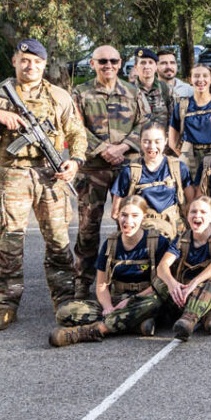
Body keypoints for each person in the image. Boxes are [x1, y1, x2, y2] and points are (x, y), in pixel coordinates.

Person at [0, 39, 87, 330]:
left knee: (58, 242)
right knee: (10, 243)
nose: (30, 66)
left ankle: (64, 299)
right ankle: (6, 305)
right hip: (13, 173)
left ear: (44, 65)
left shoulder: (59, 96)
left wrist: (75, 161)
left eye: (37, 62)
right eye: (25, 60)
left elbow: (77, 132)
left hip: (51, 173)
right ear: (15, 61)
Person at [72, 44, 151, 297]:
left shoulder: (133, 92)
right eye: (102, 61)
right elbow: (74, 127)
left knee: (128, 224)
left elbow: (146, 124)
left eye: (113, 61)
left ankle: (124, 279)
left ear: (120, 63)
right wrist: (103, 147)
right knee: (87, 229)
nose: (108, 65)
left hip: (126, 168)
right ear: (93, 63)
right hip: (92, 170)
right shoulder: (80, 93)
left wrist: (124, 147)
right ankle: (83, 284)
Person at [49, 197, 167, 346]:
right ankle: (135, 324)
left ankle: (93, 331)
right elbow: (101, 285)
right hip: (116, 299)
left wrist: (130, 301)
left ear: (143, 218)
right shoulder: (111, 244)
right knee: (64, 313)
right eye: (124, 215)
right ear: (118, 215)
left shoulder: (157, 242)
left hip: (143, 299)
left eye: (135, 216)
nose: (128, 221)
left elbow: (161, 283)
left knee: (154, 304)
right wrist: (108, 307)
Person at [155, 196, 211, 339]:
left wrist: (195, 282)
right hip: (186, 292)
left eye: (203, 212)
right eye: (193, 212)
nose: (197, 216)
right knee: (160, 280)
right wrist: (172, 283)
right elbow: (162, 266)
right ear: (187, 215)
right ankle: (208, 316)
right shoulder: (182, 239)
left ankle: (189, 319)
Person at [109, 122, 189, 239]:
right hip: (141, 233)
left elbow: (191, 205)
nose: (152, 146)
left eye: (157, 141)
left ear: (166, 141)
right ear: (140, 141)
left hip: (173, 232)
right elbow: (116, 213)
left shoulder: (178, 168)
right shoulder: (130, 171)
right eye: (147, 141)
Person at [169, 64, 211, 174]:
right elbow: (172, 141)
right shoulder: (182, 106)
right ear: (190, 79)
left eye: (205, 76)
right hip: (191, 161)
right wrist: (184, 156)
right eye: (196, 76)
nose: (200, 79)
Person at [131, 48, 173, 126]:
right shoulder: (129, 91)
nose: (147, 66)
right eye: (143, 63)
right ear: (136, 67)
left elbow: (175, 122)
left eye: (150, 62)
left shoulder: (167, 90)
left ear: (156, 66)